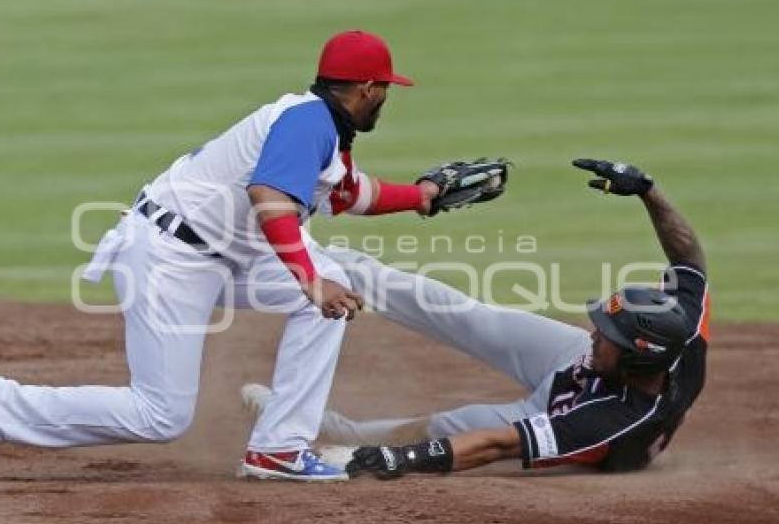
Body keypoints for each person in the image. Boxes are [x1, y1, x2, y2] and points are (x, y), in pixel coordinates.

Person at [0, 30, 451, 482]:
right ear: (367, 89)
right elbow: (270, 199)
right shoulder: (307, 125)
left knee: (331, 283)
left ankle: (278, 448)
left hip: (220, 255)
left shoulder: (323, 130)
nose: (386, 99)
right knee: (161, 416)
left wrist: (422, 196)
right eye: (385, 89)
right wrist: (307, 279)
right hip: (171, 256)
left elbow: (347, 194)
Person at [243, 159, 710, 477]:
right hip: (583, 377)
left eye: (607, 336)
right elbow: (690, 259)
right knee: (471, 317)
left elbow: (494, 445)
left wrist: (383, 460)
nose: (594, 333)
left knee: (450, 426)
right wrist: (648, 190)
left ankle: (340, 436)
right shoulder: (680, 329)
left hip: (559, 415)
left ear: (635, 359)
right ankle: (340, 267)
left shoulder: (605, 420)